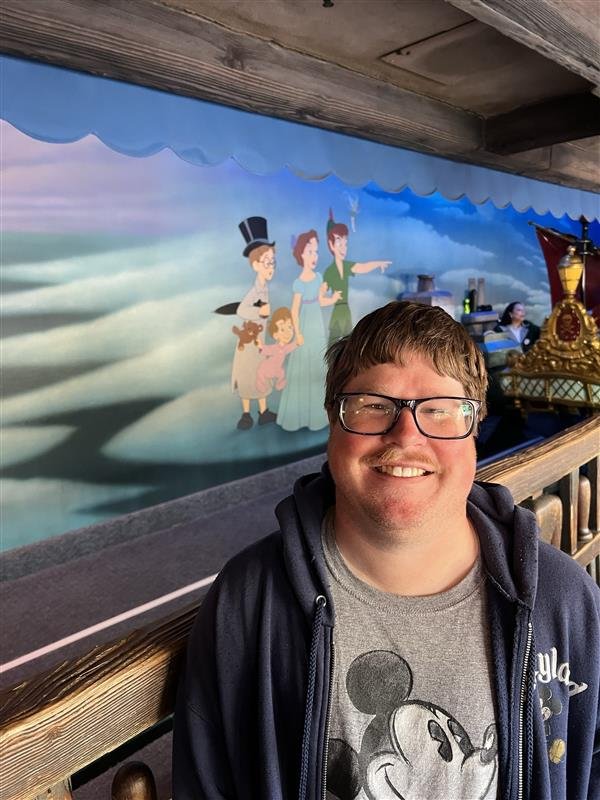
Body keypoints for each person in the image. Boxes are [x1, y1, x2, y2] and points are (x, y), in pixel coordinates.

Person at [173, 301, 599, 800]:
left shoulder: (562, 600)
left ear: (475, 430)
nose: (406, 436)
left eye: (439, 410)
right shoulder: (248, 603)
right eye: (374, 405)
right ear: (334, 422)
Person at [277, 229, 341, 431]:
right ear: (300, 254)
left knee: (316, 365)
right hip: (305, 324)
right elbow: (294, 310)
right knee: (302, 368)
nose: (314, 256)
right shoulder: (299, 282)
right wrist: (298, 333)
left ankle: (315, 417)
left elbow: (320, 300)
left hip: (316, 325)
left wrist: (333, 298)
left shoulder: (318, 277)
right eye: (310, 251)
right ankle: (297, 418)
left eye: (316, 251)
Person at [231, 216, 278, 430]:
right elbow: (242, 310)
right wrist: (260, 310)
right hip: (249, 344)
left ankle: (264, 411)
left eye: (273, 262)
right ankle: (246, 414)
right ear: (256, 263)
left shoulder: (264, 288)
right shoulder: (254, 291)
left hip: (259, 342)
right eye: (268, 262)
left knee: (261, 376)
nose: (271, 267)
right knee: (248, 377)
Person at [322, 209, 391, 345]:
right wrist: (332, 299)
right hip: (337, 311)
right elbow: (321, 299)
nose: (343, 247)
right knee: (333, 344)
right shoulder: (330, 272)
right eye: (338, 242)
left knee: (349, 346)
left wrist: (378, 263)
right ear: (331, 244)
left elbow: (362, 267)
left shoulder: (347, 266)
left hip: (345, 311)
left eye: (345, 243)